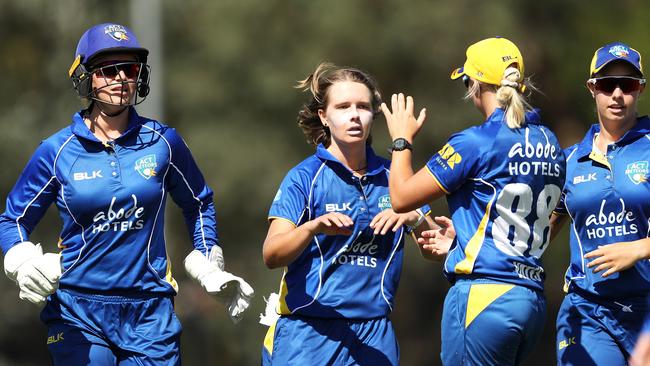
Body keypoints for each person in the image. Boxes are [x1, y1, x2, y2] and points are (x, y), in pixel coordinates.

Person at [0, 23, 254, 365]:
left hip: (150, 313)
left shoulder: (164, 142)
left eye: (130, 69)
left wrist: (210, 263)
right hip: (78, 310)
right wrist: (22, 261)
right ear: (87, 77)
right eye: (108, 69)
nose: (121, 77)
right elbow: (13, 219)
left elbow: (198, 202)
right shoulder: (57, 151)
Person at [381, 37, 566, 365]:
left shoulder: (475, 142)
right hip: (530, 301)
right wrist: (464, 242)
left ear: (475, 84)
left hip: (483, 298)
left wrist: (401, 139)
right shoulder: (549, 140)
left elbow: (400, 197)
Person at [260, 62, 443, 365]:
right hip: (308, 333)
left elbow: (437, 250)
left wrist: (415, 218)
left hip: (375, 332)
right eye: (343, 107)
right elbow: (271, 254)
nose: (355, 115)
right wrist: (311, 228)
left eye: (363, 106)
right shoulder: (305, 178)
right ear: (324, 116)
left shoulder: (393, 177)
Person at [550, 41, 650, 365]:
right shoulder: (569, 162)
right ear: (592, 88)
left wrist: (640, 248)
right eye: (608, 85)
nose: (618, 94)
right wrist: (463, 242)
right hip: (587, 311)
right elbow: (535, 235)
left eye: (628, 84)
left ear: (641, 89)